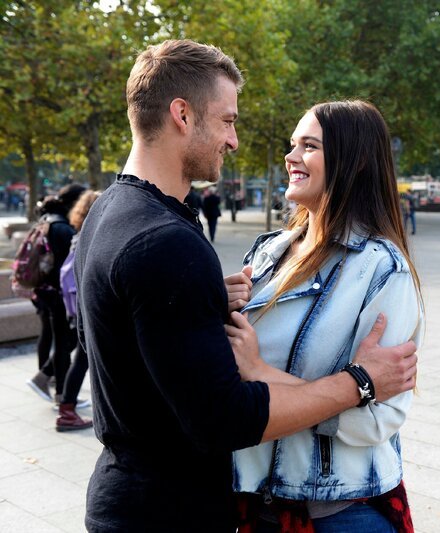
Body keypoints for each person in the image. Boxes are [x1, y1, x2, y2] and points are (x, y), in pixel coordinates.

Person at [73, 39, 417, 532]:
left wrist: (204, 309)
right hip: (169, 510)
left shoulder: (107, 211)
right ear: (183, 115)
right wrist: (358, 383)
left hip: (318, 509)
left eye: (309, 145)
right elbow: (223, 417)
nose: (235, 140)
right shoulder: (166, 241)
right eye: (228, 120)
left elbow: (108, 338)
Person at [226, 100, 424, 532]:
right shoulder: (268, 253)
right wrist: (215, 309)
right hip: (257, 505)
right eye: (293, 144)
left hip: (341, 513)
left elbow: (377, 418)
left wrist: (261, 372)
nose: (291, 157)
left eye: (309, 146)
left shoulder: (382, 269)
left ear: (351, 162)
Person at [26, 184, 86, 405]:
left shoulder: (46, 221)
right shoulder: (63, 228)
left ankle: (46, 378)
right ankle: (60, 392)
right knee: (64, 341)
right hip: (58, 294)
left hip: (42, 290)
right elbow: (68, 269)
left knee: (53, 337)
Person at [54, 190, 101, 432]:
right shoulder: (93, 234)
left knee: (82, 357)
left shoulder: (78, 233)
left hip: (76, 304)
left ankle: (66, 406)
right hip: (87, 305)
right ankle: (67, 409)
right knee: (82, 358)